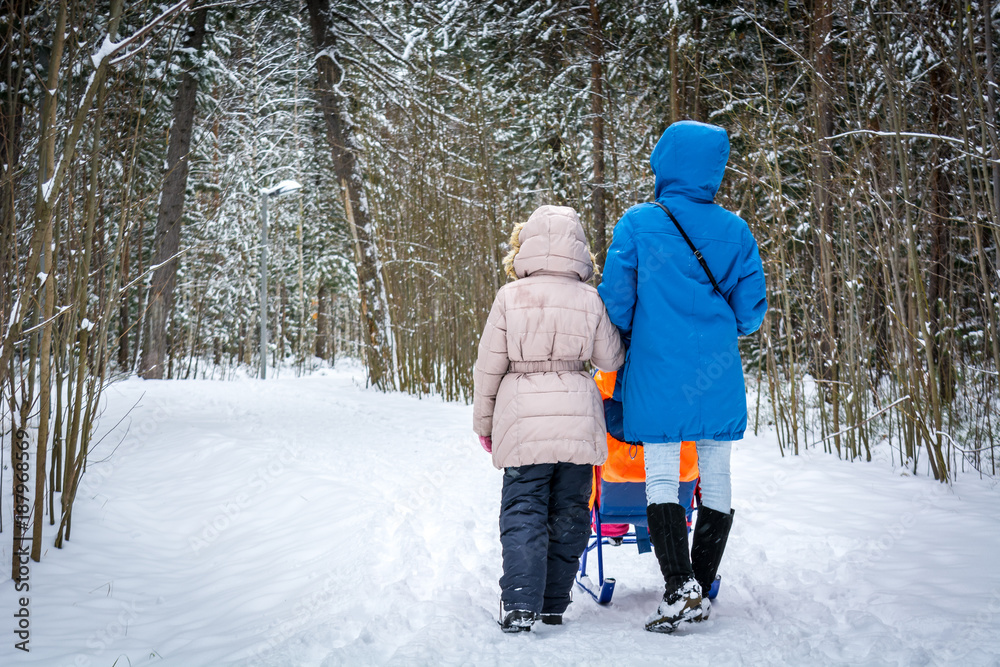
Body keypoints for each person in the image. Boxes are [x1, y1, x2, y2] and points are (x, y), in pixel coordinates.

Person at [598, 120, 768, 633]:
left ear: (664, 161)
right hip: (717, 377)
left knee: (663, 477)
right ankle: (699, 581)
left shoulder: (636, 223)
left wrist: (638, 330)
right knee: (716, 476)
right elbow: (750, 316)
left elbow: (617, 305)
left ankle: (680, 587)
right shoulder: (737, 231)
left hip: (657, 373)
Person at [473, 204, 624, 633]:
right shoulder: (590, 299)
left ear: (526, 246)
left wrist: (484, 424)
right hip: (577, 416)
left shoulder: (509, 298)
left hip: (522, 418)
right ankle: (554, 603)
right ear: (579, 250)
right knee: (571, 511)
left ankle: (520, 604)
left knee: (524, 508)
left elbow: (489, 368)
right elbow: (611, 358)